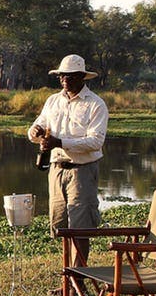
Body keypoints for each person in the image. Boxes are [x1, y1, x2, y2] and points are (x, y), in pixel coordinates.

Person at [28, 54, 108, 269]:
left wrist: (60, 142)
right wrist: (35, 132)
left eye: (70, 76)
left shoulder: (95, 104)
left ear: (82, 77)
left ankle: (78, 281)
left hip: (82, 170)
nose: (65, 80)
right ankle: (68, 278)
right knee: (61, 225)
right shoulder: (53, 101)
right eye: (62, 75)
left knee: (80, 228)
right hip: (56, 169)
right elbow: (35, 129)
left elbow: (95, 141)